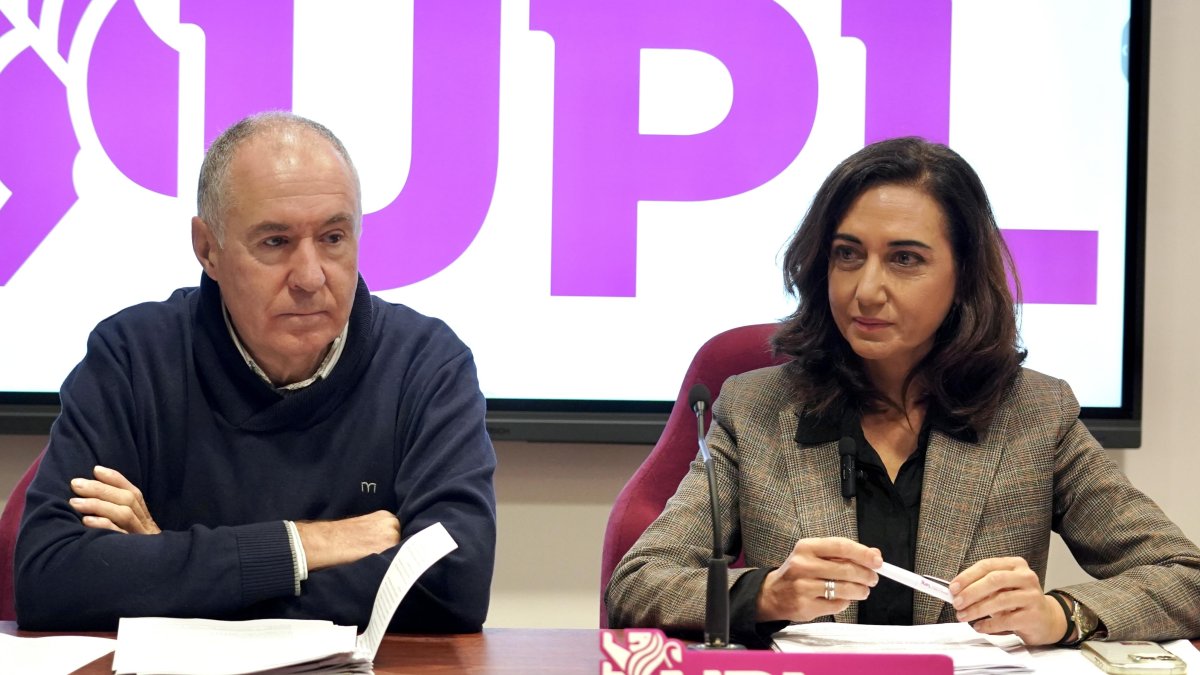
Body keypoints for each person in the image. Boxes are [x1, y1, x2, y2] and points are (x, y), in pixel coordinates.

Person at [606, 137, 1200, 648]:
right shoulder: (757, 409)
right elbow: (638, 584)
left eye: (905, 259)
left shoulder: (1034, 415)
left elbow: (1184, 578)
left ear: (963, 276)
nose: (866, 290)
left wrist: (1061, 615)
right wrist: (767, 593)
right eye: (847, 255)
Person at [14, 112, 497, 632]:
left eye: (334, 238)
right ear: (208, 250)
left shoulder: (427, 365)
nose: (310, 277)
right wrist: (306, 544)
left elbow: (452, 585)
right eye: (275, 242)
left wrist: (169, 569)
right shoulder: (132, 358)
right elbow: (50, 578)